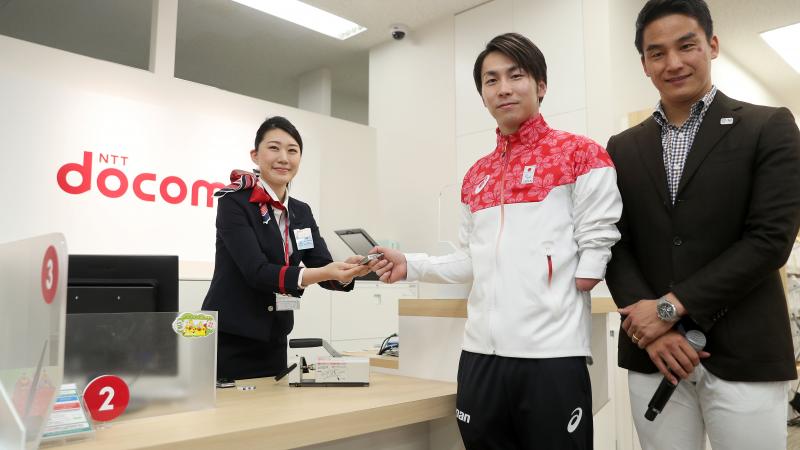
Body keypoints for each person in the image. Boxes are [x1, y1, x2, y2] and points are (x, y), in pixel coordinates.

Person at [369, 33, 622, 449]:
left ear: (540, 85)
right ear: (482, 94)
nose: (503, 88)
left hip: (551, 358)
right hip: (480, 357)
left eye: (516, 75)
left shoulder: (581, 155)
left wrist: (584, 274)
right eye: (491, 80)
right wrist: (410, 264)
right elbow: (472, 260)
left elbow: (599, 234)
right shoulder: (476, 175)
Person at [604, 1, 800, 448]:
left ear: (712, 46)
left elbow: (769, 240)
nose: (673, 63)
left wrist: (668, 309)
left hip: (744, 351)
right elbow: (613, 242)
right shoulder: (621, 147)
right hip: (653, 356)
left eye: (686, 46)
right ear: (644, 64)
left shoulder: (768, 126)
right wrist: (648, 328)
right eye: (657, 53)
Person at [202, 116, 368, 380]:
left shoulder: (301, 211)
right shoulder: (235, 201)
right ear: (255, 155)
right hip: (231, 337)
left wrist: (350, 271)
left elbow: (320, 264)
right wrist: (327, 272)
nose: (283, 158)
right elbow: (256, 271)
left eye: (292, 151)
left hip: (275, 336)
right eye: (274, 148)